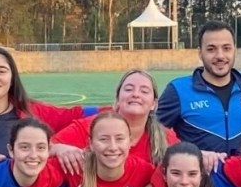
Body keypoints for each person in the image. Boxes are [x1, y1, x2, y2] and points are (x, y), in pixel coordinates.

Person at [157, 21, 241, 156]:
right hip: (197, 175)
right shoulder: (178, 90)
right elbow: (154, 135)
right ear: (200, 52)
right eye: (211, 49)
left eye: (226, 48)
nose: (220, 56)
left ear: (235, 50)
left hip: (238, 175)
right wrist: (193, 155)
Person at [50, 70, 178, 172]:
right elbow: (42, 150)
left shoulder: (165, 137)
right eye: (128, 89)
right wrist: (58, 148)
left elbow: (188, 160)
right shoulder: (88, 127)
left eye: (144, 91)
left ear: (154, 104)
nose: (136, 94)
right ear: (117, 100)